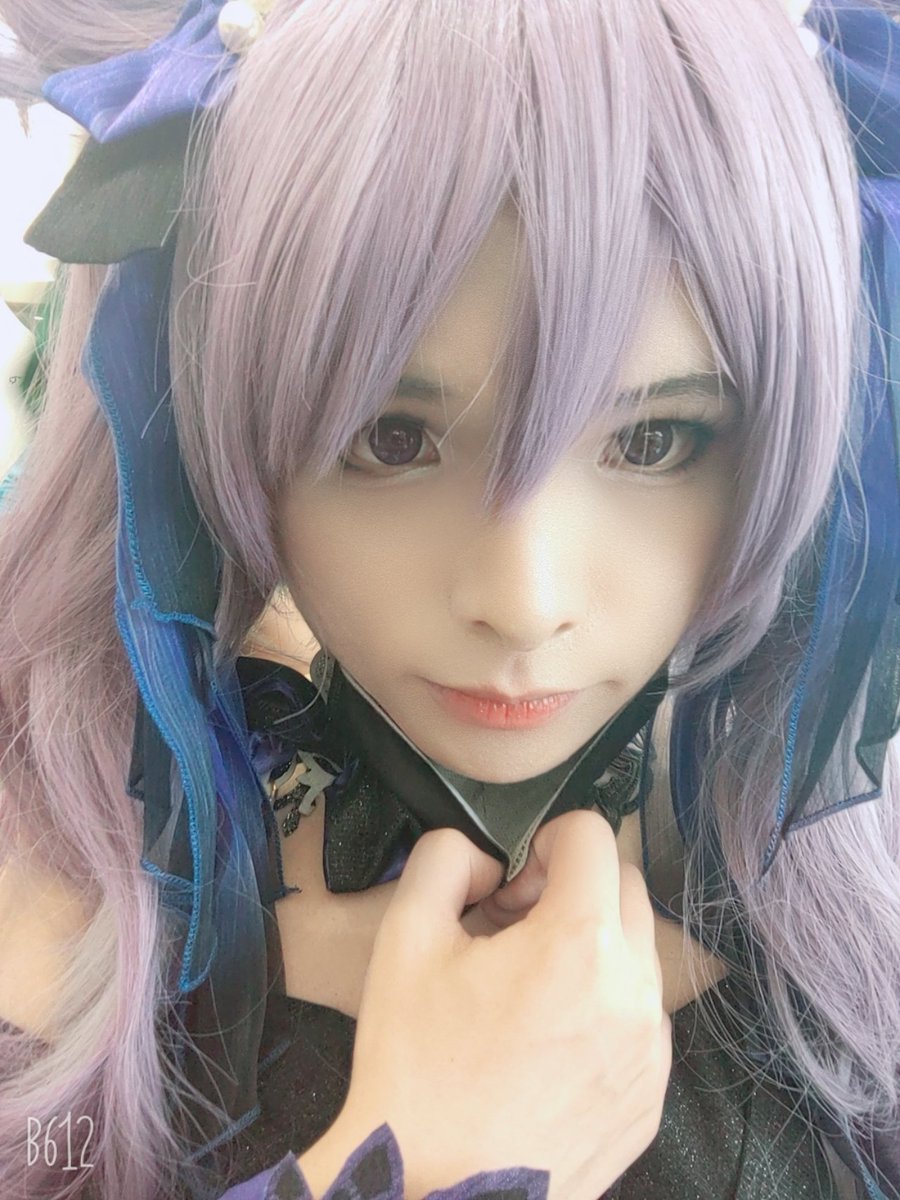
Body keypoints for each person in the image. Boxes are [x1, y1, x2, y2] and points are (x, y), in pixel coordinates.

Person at [0, 0, 897, 1198]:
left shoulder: (853, 898)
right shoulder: (47, 908)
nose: (524, 602)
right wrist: (436, 1161)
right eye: (391, 436)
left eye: (655, 441)